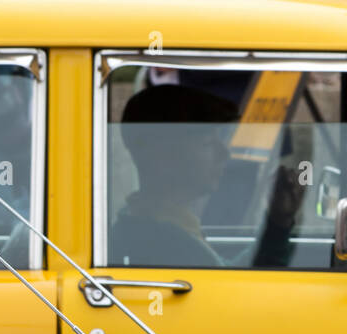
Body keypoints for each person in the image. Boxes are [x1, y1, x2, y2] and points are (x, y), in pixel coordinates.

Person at [111, 83, 302, 268]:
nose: (224, 153)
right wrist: (277, 226)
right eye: (207, 143)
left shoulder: (153, 223)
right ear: (162, 156)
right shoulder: (167, 242)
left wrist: (277, 222)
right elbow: (239, 291)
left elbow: (229, 276)